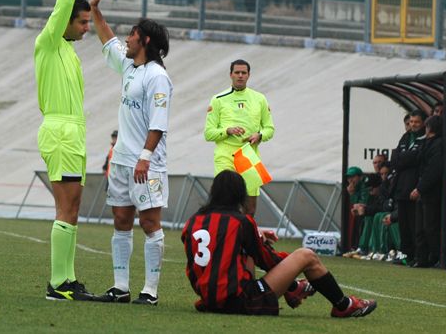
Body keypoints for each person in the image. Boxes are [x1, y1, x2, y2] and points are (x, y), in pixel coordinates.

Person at [182, 170, 377, 317]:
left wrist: (256, 237)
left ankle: (294, 289)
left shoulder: (192, 222)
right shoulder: (240, 221)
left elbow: (197, 261)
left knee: (246, 250)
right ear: (239, 194)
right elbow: (267, 260)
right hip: (241, 301)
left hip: (209, 300)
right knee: (306, 255)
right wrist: (292, 267)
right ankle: (343, 306)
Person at [89, 0, 172, 306]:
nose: (127, 38)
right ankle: (120, 286)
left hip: (145, 164)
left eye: (133, 34)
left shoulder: (157, 76)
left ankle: (150, 291)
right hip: (122, 161)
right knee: (121, 220)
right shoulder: (129, 66)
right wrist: (95, 9)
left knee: (150, 223)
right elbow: (107, 37)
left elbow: (159, 123)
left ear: (145, 40)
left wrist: (146, 157)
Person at [34, 0, 94, 301]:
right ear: (66, 21)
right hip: (60, 131)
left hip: (72, 132)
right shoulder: (50, 41)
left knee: (73, 207)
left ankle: (68, 280)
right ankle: (58, 283)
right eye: (83, 22)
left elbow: (71, 13)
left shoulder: (69, 50)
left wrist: (93, 6)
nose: (86, 27)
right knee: (65, 206)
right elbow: (61, 7)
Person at [204, 59, 274, 216]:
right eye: (237, 72)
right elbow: (208, 133)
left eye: (244, 73)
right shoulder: (218, 99)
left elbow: (270, 128)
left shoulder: (260, 99)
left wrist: (259, 135)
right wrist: (227, 130)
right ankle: (223, 237)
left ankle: (243, 239)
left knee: (249, 210)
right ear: (230, 75)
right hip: (226, 156)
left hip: (249, 157)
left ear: (249, 75)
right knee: (225, 204)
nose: (240, 76)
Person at [390, 109, 426, 266]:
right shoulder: (405, 137)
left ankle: (417, 256)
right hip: (401, 188)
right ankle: (405, 254)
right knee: (403, 225)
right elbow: (395, 160)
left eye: (416, 122)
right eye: (411, 122)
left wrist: (403, 158)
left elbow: (417, 158)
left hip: (413, 188)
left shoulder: (424, 138)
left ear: (423, 122)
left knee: (414, 225)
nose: (413, 125)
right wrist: (405, 158)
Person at [410, 115, 443, 268]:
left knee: (430, 227)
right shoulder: (427, 143)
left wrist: (419, 188)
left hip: (431, 192)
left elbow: (433, 170)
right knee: (421, 227)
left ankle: (434, 257)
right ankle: (422, 258)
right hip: (425, 191)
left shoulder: (438, 144)